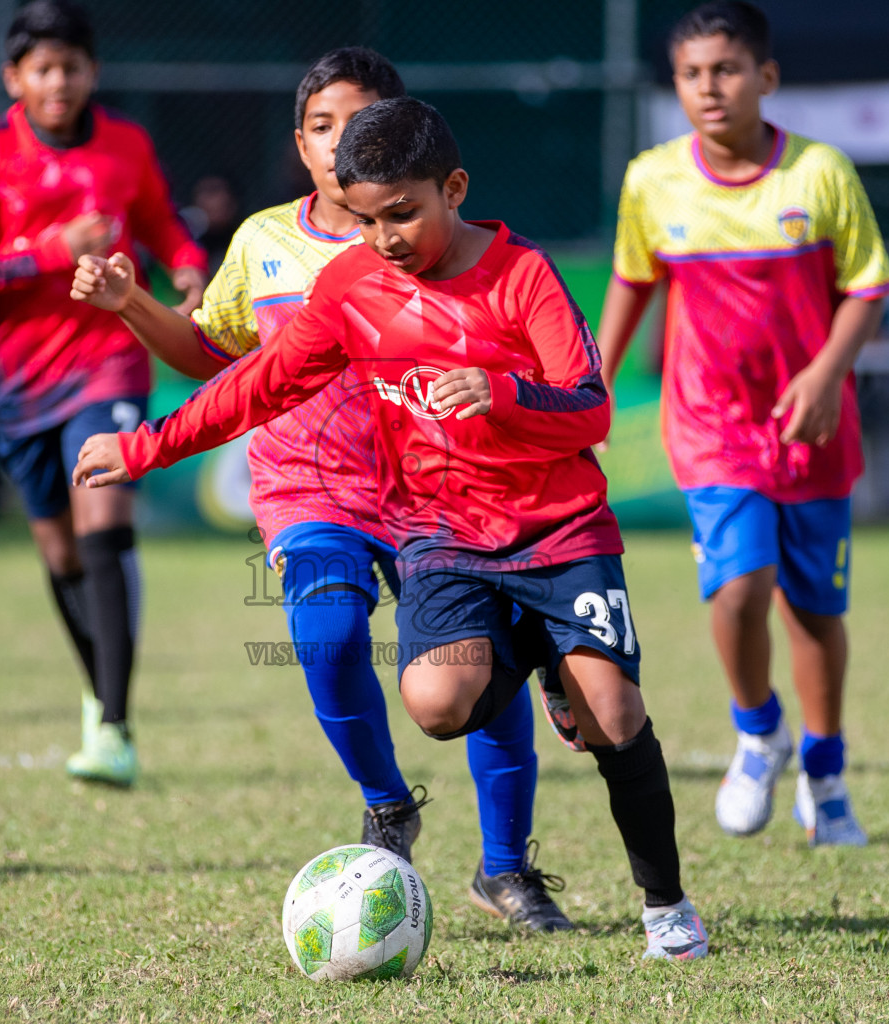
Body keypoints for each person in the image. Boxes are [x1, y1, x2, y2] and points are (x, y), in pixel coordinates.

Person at [71, 97, 709, 961]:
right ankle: (538, 664)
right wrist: (145, 447)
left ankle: (666, 909)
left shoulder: (523, 274)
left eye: (403, 213)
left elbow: (590, 410)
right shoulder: (352, 286)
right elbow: (259, 384)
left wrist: (505, 393)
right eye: (367, 221)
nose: (385, 239)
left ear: (454, 188)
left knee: (617, 714)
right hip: (444, 537)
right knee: (436, 706)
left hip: (559, 532)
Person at [596, 1, 889, 847]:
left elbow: (867, 287)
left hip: (812, 427)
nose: (708, 88)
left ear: (766, 76)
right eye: (691, 74)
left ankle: (826, 775)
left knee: (812, 611)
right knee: (739, 588)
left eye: (725, 70)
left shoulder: (820, 174)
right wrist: (600, 382)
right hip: (712, 423)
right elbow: (632, 280)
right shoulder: (653, 178)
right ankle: (758, 730)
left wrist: (827, 373)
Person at [0, 0, 208, 786]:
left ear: (93, 72)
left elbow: (160, 222)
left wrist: (186, 267)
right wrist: (50, 250)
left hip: (109, 358)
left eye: (72, 66)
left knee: (103, 520)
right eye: (43, 68)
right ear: (14, 78)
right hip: (18, 383)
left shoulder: (127, 144)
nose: (59, 81)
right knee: (59, 550)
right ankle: (98, 694)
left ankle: (114, 726)